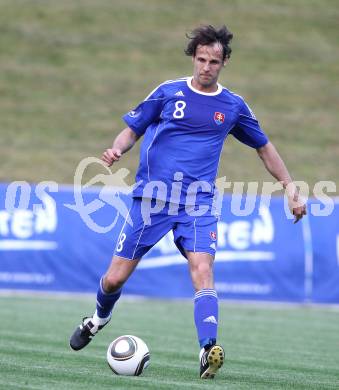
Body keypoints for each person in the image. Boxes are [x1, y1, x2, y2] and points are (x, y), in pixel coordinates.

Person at [70, 24, 306, 379]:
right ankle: (98, 319)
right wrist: (118, 148)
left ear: (224, 62)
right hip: (151, 200)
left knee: (203, 271)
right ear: (193, 58)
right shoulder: (167, 93)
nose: (206, 66)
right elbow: (133, 127)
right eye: (201, 59)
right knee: (115, 279)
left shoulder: (233, 106)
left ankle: (207, 348)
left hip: (198, 204)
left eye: (214, 61)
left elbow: (263, 146)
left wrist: (289, 185)